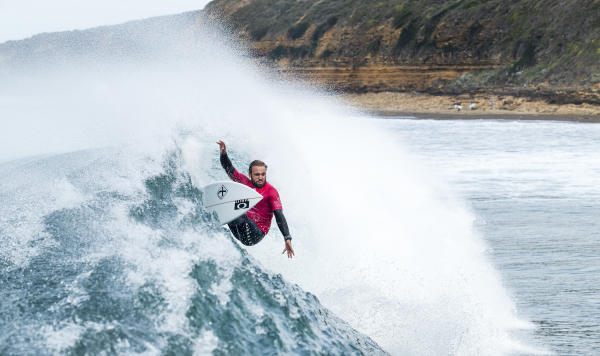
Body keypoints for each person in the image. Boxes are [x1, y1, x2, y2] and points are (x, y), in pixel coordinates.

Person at [217, 140, 295, 258]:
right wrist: (223, 154)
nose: (260, 177)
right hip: (240, 230)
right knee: (227, 205)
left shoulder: (271, 192)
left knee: (237, 210)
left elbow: (279, 215)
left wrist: (287, 238)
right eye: (257, 174)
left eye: (263, 174)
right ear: (250, 174)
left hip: (256, 233)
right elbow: (229, 168)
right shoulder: (245, 182)